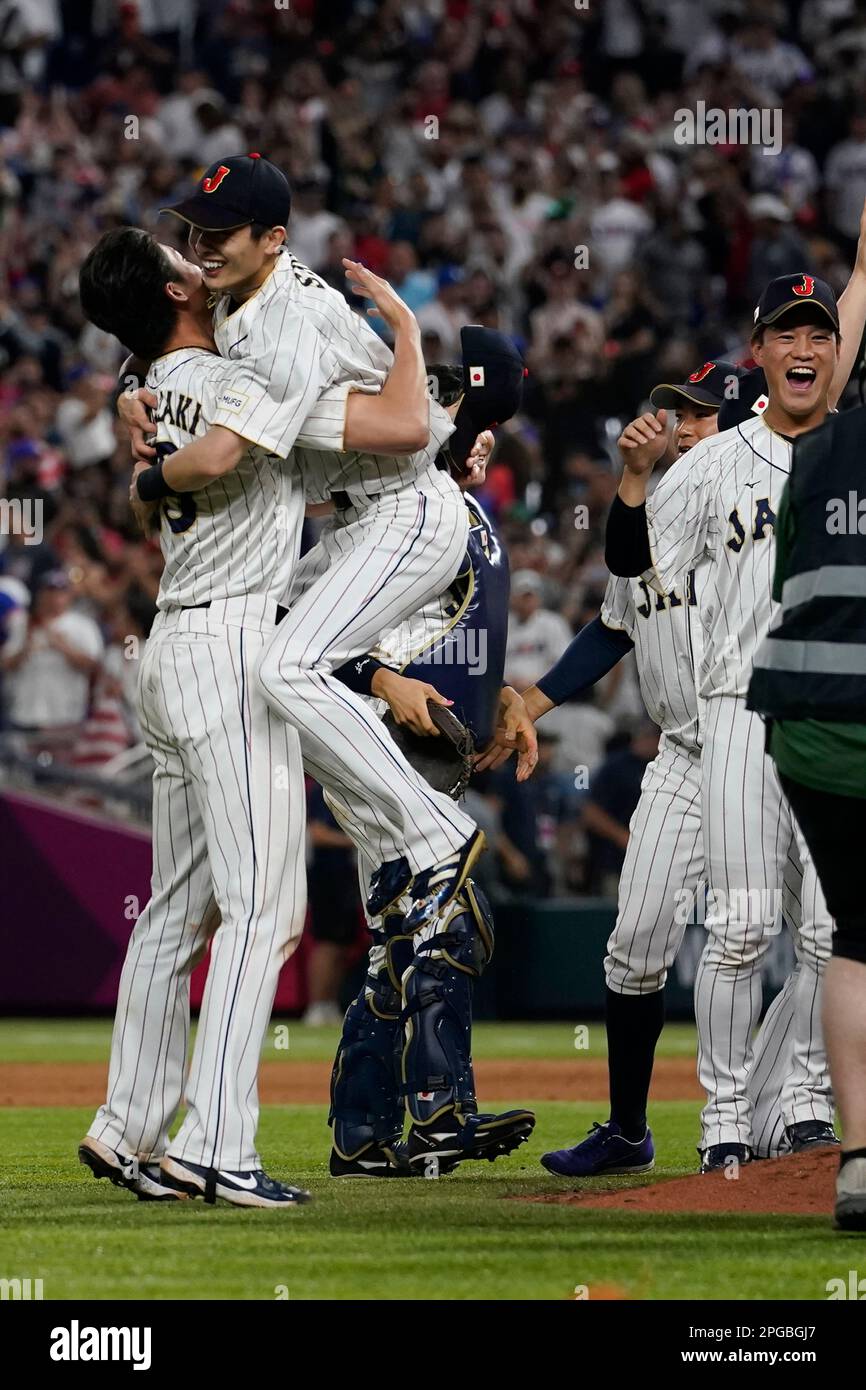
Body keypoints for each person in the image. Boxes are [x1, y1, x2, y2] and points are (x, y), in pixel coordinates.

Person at [75, 227, 465, 1207]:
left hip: (170, 644)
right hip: (232, 645)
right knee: (265, 912)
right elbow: (401, 428)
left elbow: (159, 471)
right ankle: (215, 1146)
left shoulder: (149, 388)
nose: (200, 261)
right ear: (173, 286)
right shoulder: (244, 372)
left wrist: (145, 468)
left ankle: (126, 1125)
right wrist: (405, 331)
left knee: (175, 912)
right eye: (184, 254)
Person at [121, 153, 499, 930]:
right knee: (275, 667)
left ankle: (433, 833)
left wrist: (407, 337)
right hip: (358, 520)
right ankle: (390, 819)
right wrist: (131, 392)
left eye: (224, 233)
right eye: (197, 229)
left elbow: (408, 428)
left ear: (275, 239)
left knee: (286, 668)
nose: (204, 245)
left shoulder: (285, 329)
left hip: (405, 507)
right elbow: (157, 342)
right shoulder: (236, 297)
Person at [511, 359, 831, 1177]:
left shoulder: (770, 502)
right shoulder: (651, 515)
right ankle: (627, 1130)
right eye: (674, 413)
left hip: (775, 738)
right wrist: (534, 703)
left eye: (700, 414)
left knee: (822, 934)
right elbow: (612, 625)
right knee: (636, 942)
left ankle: (785, 1100)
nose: (683, 427)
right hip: (685, 756)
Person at [604, 273, 845, 1171]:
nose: (804, 349)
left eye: (819, 334)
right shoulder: (711, 462)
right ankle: (724, 1119)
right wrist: (631, 481)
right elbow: (632, 563)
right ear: (761, 354)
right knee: (742, 924)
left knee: (827, 932)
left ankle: (810, 1103)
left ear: (834, 352)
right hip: (738, 710)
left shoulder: (854, 454)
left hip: (837, 714)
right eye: (787, 335)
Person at [748, 405, 866, 1230]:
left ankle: (860, 1162)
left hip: (812, 722)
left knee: (856, 934)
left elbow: (791, 581)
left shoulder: (819, 449)